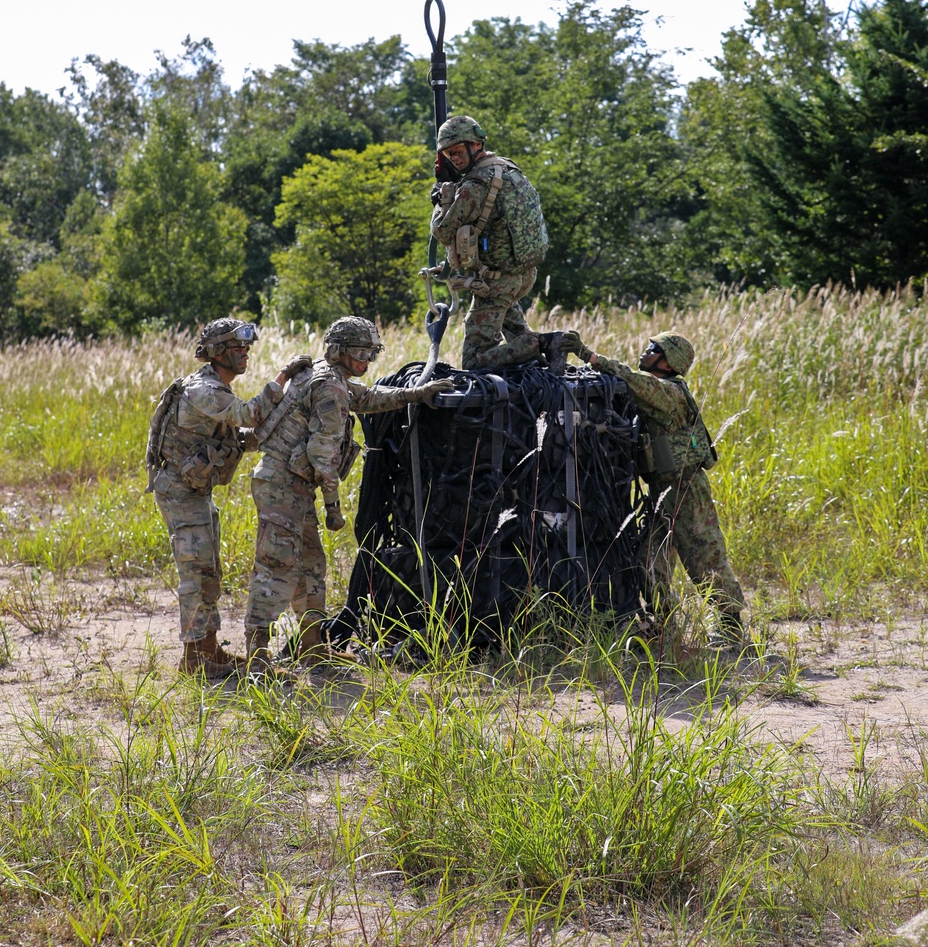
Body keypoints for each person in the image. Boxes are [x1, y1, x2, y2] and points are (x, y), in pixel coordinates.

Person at [243, 315, 455, 671]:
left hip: (291, 484)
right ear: (338, 351)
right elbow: (322, 454)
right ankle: (257, 655)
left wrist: (415, 394)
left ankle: (312, 646)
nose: (365, 361)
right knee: (275, 565)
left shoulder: (327, 377)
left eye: (370, 354)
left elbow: (369, 397)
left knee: (311, 564)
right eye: (359, 353)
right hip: (284, 485)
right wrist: (332, 507)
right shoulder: (330, 386)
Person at [565, 328, 747, 653]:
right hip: (664, 493)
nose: (646, 351)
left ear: (668, 362)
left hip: (686, 490)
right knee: (648, 564)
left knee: (705, 560)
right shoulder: (662, 389)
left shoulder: (667, 392)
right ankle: (666, 629)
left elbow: (631, 379)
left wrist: (588, 355)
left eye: (654, 348)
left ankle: (731, 627)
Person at [146, 318, 306, 679]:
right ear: (218, 352)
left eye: (247, 347)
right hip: (180, 492)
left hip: (195, 491)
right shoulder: (204, 390)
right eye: (238, 348)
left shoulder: (216, 388)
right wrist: (282, 378)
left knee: (209, 570)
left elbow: (241, 435)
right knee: (195, 572)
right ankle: (193, 658)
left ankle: (208, 649)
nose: (245, 354)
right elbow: (249, 414)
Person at [429, 114, 570, 371]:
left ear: (476, 144)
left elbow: (443, 231)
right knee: (516, 337)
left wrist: (440, 201)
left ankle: (543, 343)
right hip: (521, 276)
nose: (455, 159)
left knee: (473, 363)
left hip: (495, 283)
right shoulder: (506, 168)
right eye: (449, 155)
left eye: (458, 151)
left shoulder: (475, 184)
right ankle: (539, 361)